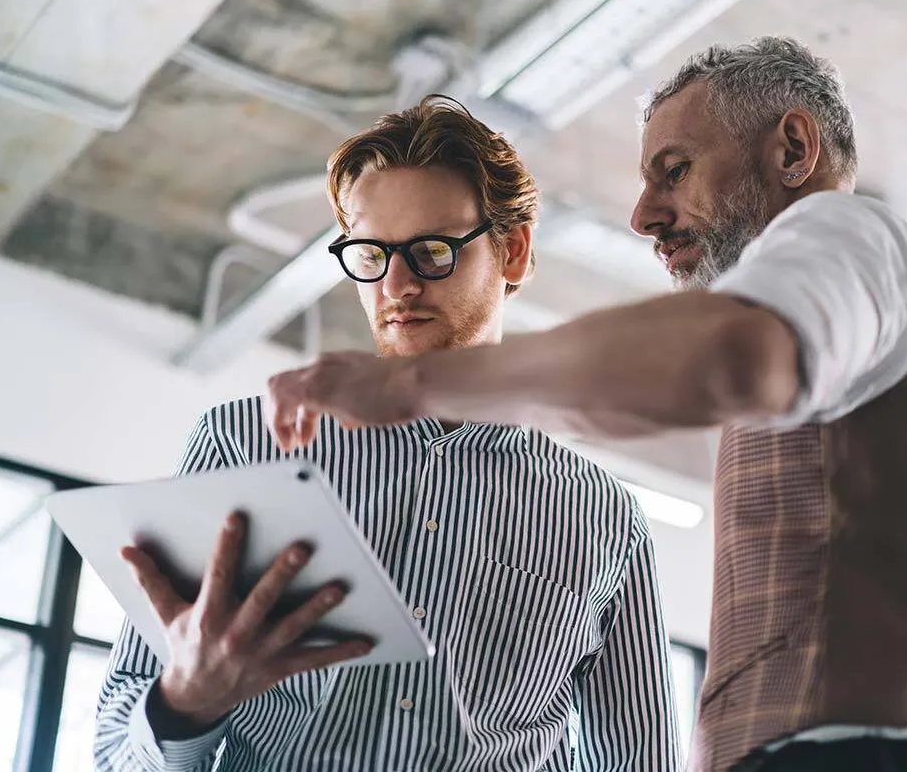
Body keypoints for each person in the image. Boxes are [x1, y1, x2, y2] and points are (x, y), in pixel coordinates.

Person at [266, 37, 907, 772]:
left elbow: (729, 359)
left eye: (674, 169)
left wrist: (415, 383)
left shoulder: (850, 235)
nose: (643, 213)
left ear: (793, 148)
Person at [94, 96, 681, 771]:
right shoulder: (242, 447)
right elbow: (116, 753)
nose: (396, 285)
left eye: (431, 251)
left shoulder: (605, 518)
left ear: (513, 253)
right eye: (371, 253)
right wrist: (186, 702)